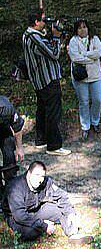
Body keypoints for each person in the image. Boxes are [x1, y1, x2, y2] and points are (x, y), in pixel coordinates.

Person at [2, 160, 92, 243]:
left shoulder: (46, 181)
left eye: (42, 176)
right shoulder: (15, 187)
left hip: (36, 209)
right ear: (29, 173)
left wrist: (70, 212)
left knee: (61, 210)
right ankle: (39, 225)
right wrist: (44, 225)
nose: (39, 180)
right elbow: (20, 216)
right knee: (31, 233)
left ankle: (73, 234)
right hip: (15, 216)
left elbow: (61, 195)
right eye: (36, 175)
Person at [22, 8, 70, 155]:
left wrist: (52, 36)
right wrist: (56, 37)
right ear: (36, 22)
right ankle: (54, 146)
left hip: (39, 80)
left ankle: (41, 140)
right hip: (47, 79)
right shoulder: (34, 37)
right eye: (43, 20)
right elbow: (54, 54)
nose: (46, 22)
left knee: (42, 110)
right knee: (53, 112)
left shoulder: (28, 34)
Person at [68, 19, 101, 141]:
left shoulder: (95, 39)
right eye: (80, 28)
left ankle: (95, 122)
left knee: (98, 100)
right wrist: (90, 57)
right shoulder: (73, 41)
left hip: (96, 76)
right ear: (76, 30)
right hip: (80, 77)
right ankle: (85, 126)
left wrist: (84, 54)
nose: (82, 30)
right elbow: (74, 57)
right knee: (83, 101)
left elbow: (99, 53)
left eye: (84, 27)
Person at [0, 94, 25, 195]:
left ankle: (11, 192)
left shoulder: (7, 108)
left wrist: (19, 148)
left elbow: (17, 128)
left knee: (10, 158)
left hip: (3, 131)